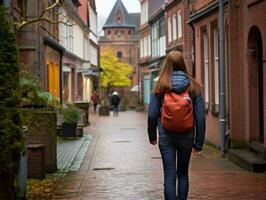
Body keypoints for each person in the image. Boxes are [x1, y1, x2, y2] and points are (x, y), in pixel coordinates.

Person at [148, 51, 205, 200]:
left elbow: (152, 114)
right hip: (187, 136)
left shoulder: (161, 85)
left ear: (167, 65)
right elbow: (200, 117)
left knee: (169, 175)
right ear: (182, 64)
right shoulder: (193, 86)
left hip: (166, 135)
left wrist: (152, 136)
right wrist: (198, 144)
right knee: (183, 173)